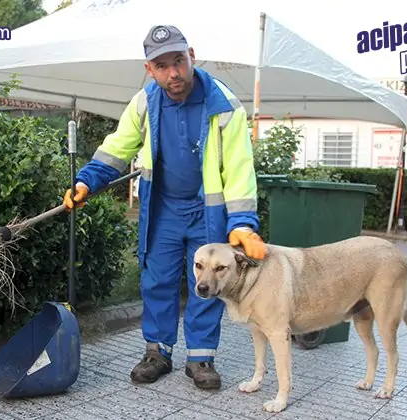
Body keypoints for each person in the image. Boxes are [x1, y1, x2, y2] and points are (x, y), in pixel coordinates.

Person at [63, 24, 268, 390]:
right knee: (157, 280)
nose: (173, 73)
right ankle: (157, 352)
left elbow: (239, 168)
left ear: (192, 56)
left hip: (208, 211)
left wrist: (242, 223)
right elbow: (118, 147)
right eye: (162, 65)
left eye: (178, 61)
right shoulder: (145, 102)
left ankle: (201, 358)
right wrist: (86, 180)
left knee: (207, 282)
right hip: (164, 209)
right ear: (150, 70)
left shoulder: (224, 104)